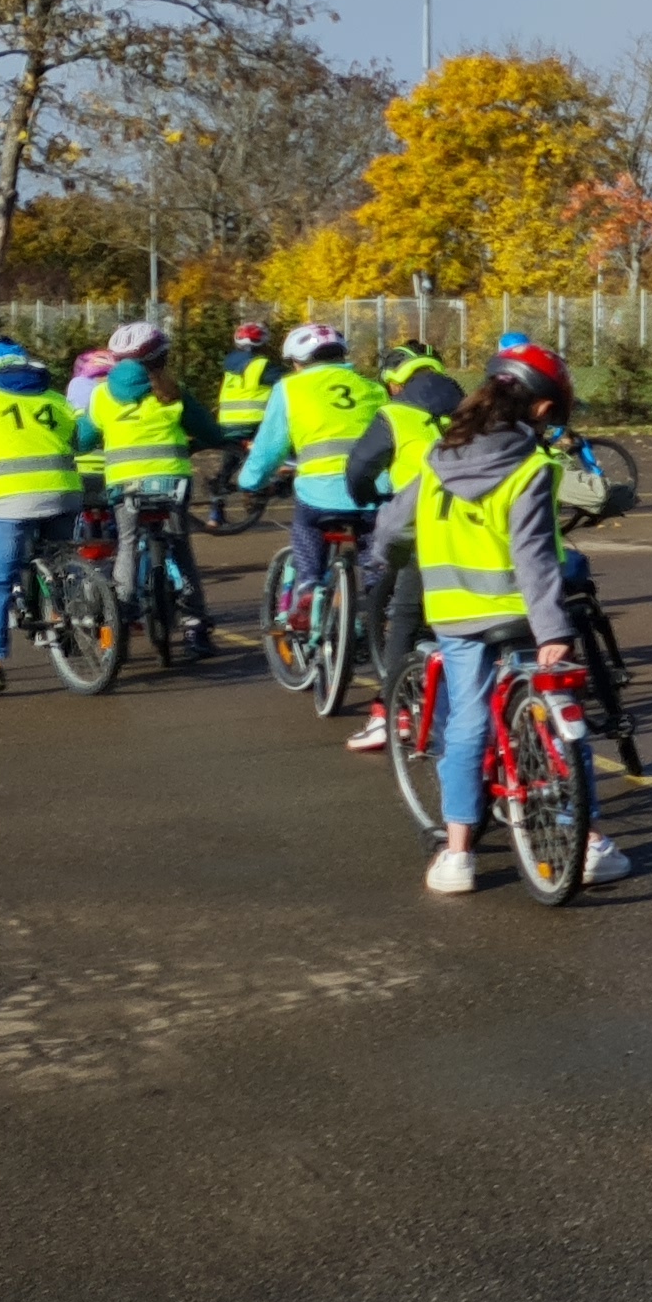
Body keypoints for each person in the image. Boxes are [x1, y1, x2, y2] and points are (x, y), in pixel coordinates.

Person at [373, 341, 628, 893]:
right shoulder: (529, 466)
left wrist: (389, 565)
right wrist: (553, 630)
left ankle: (458, 855)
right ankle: (590, 844)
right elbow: (534, 555)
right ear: (539, 409)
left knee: (466, 722)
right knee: (554, 717)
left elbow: (392, 531)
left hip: (455, 613)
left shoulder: (438, 459)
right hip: (517, 612)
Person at [337, 349, 466, 754]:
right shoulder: (470, 410)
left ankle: (390, 714)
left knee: (405, 616)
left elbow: (360, 468)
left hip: (420, 525)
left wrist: (366, 497)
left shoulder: (395, 414)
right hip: (475, 524)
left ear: (395, 383)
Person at [239, 324, 392, 631]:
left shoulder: (290, 388)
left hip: (320, 492)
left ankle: (308, 585)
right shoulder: (373, 388)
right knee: (374, 549)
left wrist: (250, 484)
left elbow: (270, 447)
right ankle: (379, 603)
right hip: (372, 490)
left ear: (298, 362)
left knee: (306, 525)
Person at [74, 337, 217, 653]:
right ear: (161, 359)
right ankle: (196, 628)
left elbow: (82, 439)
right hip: (172, 483)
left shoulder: (101, 395)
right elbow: (209, 431)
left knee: (127, 543)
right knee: (180, 548)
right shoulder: (172, 392)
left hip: (125, 485)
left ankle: (122, 614)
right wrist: (209, 441)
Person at [0, 333, 77, 694]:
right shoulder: (56, 398)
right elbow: (78, 441)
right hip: (64, 493)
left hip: (11, 499)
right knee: (60, 562)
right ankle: (63, 616)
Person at [214, 323, 278, 457]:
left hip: (227, 421)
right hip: (255, 421)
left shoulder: (229, 364)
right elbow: (290, 380)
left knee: (236, 453)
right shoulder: (262, 365)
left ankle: (222, 477)